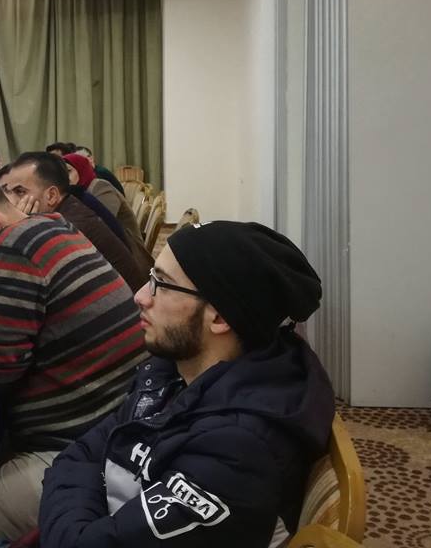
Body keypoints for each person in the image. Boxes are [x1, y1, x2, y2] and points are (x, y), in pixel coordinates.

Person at [38, 222, 335, 548]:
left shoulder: (237, 450)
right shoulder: (175, 369)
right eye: (151, 277)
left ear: (220, 318)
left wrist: (77, 509)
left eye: (162, 284)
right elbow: (79, 456)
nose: (140, 296)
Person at [0, 176, 146, 541]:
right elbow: (36, 328)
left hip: (82, 453)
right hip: (119, 424)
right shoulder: (52, 225)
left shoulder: (10, 251)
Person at [2, 152, 150, 292]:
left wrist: (18, 229)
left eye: (20, 192)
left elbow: (20, 282)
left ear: (51, 196)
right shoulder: (69, 207)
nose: (11, 201)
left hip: (131, 305)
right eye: (9, 192)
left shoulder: (66, 228)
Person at [63, 153, 146, 264]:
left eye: (69, 171)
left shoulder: (100, 187)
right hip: (110, 248)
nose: (65, 177)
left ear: (81, 169)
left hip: (129, 253)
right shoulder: (78, 193)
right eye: (61, 173)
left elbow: (100, 226)